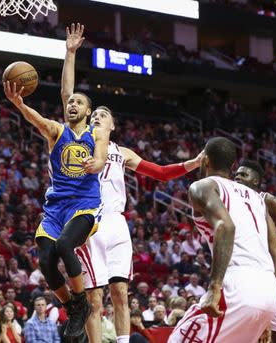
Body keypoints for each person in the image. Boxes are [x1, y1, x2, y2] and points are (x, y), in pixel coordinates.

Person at [61, 23, 203, 343]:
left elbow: (161, 173)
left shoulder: (122, 152)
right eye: (92, 114)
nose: (95, 116)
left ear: (113, 124)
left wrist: (191, 164)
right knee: (95, 300)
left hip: (117, 225)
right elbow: (67, 97)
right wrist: (70, 54)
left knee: (121, 293)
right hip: (89, 223)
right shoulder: (79, 140)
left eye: (102, 115)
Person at [4, 52, 111, 338]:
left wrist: (96, 164)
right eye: (71, 101)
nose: (73, 103)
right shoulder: (56, 131)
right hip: (56, 208)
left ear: (88, 112)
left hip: (85, 205)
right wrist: (19, 104)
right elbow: (36, 118)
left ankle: (80, 304)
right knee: (45, 261)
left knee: (65, 245)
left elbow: (101, 158)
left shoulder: (97, 133)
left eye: (79, 102)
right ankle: (74, 307)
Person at [168, 137, 276, 343]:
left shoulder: (202, 186)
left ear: (205, 160)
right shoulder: (256, 197)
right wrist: (268, 307)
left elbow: (226, 227)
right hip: (269, 289)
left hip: (238, 286)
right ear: (232, 166)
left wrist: (214, 288)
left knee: (177, 340)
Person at [235, 159, 276, 343]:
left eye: (243, 174)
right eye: (236, 175)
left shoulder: (269, 201)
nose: (238, 177)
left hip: (275, 274)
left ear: (255, 181)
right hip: (249, 273)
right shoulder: (230, 201)